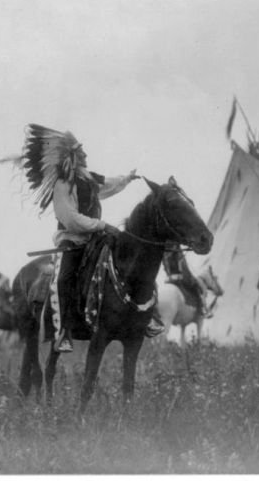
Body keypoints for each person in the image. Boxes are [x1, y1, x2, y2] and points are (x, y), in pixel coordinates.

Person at [19, 124, 162, 353]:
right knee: (64, 278)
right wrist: (102, 225)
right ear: (72, 156)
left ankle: (150, 315)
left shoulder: (87, 178)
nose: (85, 154)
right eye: (81, 151)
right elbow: (71, 219)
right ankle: (63, 331)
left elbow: (108, 184)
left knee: (133, 260)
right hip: (73, 241)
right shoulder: (63, 184)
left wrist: (127, 178)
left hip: (96, 236)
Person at [162, 248, 206, 316]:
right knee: (195, 286)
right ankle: (200, 309)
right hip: (178, 277)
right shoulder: (175, 251)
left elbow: (166, 267)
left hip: (169, 278)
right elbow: (181, 267)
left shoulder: (164, 253)